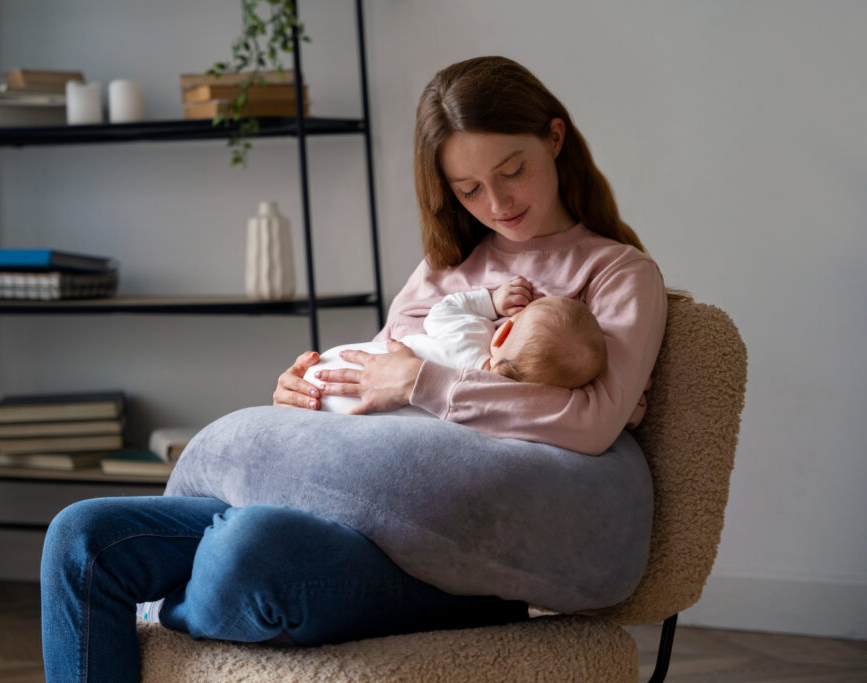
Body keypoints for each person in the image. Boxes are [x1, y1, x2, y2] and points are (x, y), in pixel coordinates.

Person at [41, 55, 667, 682]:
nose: (497, 202)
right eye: (469, 189)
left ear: (554, 140)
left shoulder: (615, 274)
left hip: (449, 557)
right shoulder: (444, 272)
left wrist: (423, 383)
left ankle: (168, 606)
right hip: (341, 512)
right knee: (81, 537)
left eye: (512, 171)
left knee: (248, 549)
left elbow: (593, 421)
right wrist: (312, 396)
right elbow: (378, 389)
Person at [304, 276, 608, 416]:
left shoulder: (472, 332)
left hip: (329, 369)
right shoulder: (491, 404)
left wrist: (491, 301)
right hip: (352, 414)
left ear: (502, 334)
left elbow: (444, 309)